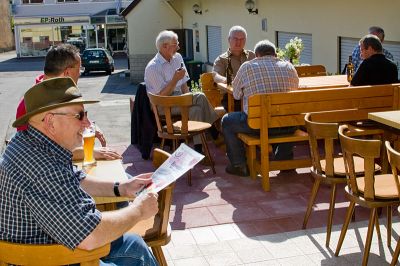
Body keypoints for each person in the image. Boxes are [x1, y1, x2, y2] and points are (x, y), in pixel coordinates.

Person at [0, 77, 159, 265]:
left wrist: (122, 187)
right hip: (49, 258)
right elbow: (90, 236)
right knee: (136, 250)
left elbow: (76, 178)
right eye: (80, 115)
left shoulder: (32, 143)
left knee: (135, 244)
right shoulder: (41, 167)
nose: (87, 123)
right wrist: (139, 210)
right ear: (51, 122)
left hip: (50, 245)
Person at [15, 44, 121, 161]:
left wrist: (90, 126)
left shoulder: (61, 93)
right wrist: (91, 151)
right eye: (79, 68)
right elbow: (40, 152)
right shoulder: (30, 105)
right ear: (67, 73)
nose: (80, 73)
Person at [221, 40, 299, 177]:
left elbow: (237, 95)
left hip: (257, 126)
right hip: (288, 125)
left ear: (256, 55)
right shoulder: (289, 67)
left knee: (227, 121)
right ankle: (284, 160)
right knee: (283, 116)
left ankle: (239, 165)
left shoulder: (247, 67)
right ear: (275, 54)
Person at [144, 30, 219, 153]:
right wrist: (174, 80)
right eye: (175, 44)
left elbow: (184, 84)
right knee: (199, 96)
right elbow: (160, 98)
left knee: (196, 109)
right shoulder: (152, 67)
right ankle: (214, 129)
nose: (178, 47)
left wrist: (187, 99)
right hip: (163, 105)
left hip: (179, 99)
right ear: (164, 46)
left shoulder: (177, 58)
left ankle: (198, 149)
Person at [212, 25, 255, 111]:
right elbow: (215, 76)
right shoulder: (221, 59)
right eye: (235, 39)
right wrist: (228, 81)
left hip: (252, 94)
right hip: (231, 97)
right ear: (229, 39)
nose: (238, 42)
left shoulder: (252, 56)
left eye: (242, 39)